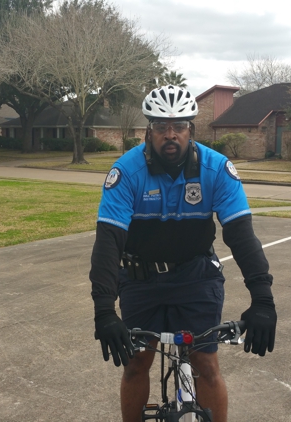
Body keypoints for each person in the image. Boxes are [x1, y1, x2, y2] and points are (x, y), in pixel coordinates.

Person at [90, 85, 277, 422]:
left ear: (191, 128)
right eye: (161, 127)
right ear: (149, 130)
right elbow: (108, 244)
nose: (170, 135)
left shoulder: (217, 169)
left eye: (179, 127)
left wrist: (263, 299)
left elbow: (242, 236)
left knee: (206, 363)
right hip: (139, 277)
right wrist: (104, 311)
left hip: (196, 275)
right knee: (136, 365)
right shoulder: (126, 172)